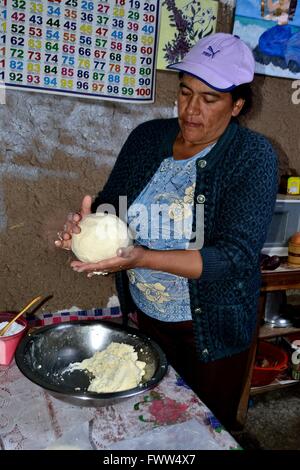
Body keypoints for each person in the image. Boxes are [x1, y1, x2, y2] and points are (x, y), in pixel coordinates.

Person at [55, 33, 278, 429]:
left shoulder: (252, 157)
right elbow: (112, 209)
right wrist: (84, 227)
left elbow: (234, 258)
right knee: (150, 422)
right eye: (186, 92)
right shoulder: (148, 138)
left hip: (212, 331)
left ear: (237, 104)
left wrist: (141, 256)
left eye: (210, 99)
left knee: (205, 430)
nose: (191, 109)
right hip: (149, 318)